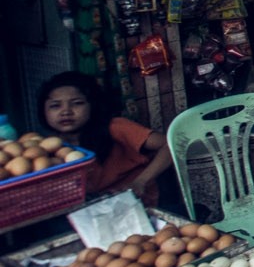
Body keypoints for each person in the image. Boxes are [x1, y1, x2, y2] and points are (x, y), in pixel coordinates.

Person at [39, 72, 172, 205]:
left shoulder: (115, 127)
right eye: (55, 105)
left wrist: (140, 181)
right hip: (96, 211)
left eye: (77, 103)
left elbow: (170, 145)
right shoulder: (50, 148)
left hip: (140, 203)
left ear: (93, 105)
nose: (66, 111)